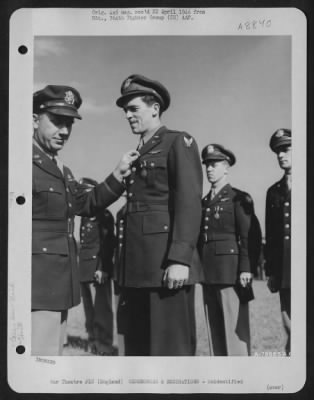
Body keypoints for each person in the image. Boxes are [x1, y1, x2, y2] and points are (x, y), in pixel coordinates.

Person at [32, 85, 139, 355]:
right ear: (34, 120)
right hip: (34, 284)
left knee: (49, 359)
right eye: (57, 121)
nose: (65, 131)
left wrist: (117, 174)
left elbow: (87, 203)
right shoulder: (20, 162)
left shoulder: (60, 168)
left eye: (69, 123)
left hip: (57, 285)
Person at [114, 74, 203, 356]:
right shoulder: (136, 153)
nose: (128, 115)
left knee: (169, 349)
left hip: (165, 267)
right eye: (125, 110)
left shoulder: (178, 142)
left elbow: (189, 202)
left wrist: (179, 259)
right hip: (138, 269)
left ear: (155, 108)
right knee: (139, 350)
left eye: (133, 108)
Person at [198, 144, 256, 356]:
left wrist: (246, 268)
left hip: (230, 273)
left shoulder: (238, 198)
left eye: (214, 164)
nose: (209, 169)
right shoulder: (204, 202)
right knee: (215, 334)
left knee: (234, 334)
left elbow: (247, 236)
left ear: (226, 167)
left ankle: (239, 377)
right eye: (207, 165)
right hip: (208, 273)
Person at [78, 177, 116, 356]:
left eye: (87, 193)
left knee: (102, 308)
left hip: (98, 269)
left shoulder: (105, 215)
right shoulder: (84, 217)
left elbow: (108, 244)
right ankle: (93, 339)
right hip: (85, 268)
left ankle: (105, 344)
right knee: (89, 308)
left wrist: (103, 267)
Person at [265, 128, 291, 355]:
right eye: (278, 152)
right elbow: (272, 236)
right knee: (290, 324)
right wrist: (271, 271)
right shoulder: (273, 192)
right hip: (285, 270)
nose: (281, 155)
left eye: (286, 149)